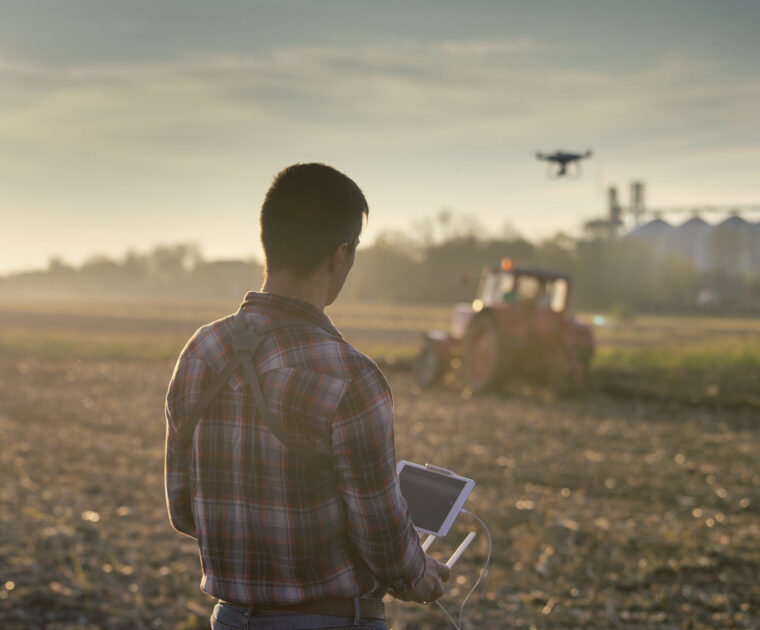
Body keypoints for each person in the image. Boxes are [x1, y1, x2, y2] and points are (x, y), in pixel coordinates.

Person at [164, 163, 449, 630]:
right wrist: (417, 575)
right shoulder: (351, 375)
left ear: (268, 241)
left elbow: (183, 509)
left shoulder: (201, 352)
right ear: (341, 255)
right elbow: (381, 536)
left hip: (230, 620)